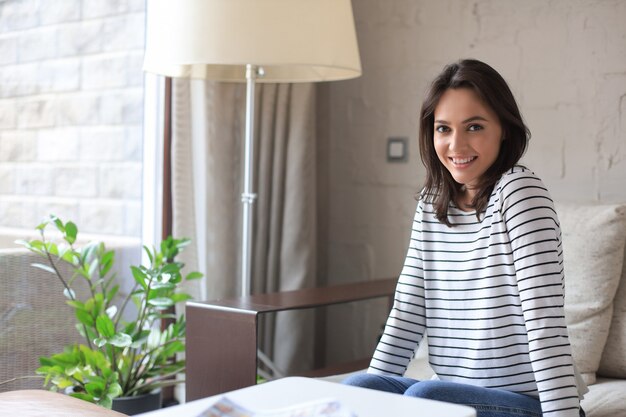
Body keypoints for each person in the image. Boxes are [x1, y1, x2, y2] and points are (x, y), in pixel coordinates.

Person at [343, 59, 587, 417]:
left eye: (474, 126)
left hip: (529, 405)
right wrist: (367, 406)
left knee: (425, 396)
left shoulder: (519, 192)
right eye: (443, 128)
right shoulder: (431, 202)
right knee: (357, 388)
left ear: (503, 128)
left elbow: (543, 323)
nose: (456, 145)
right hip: (458, 399)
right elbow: (407, 314)